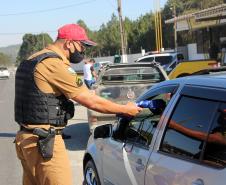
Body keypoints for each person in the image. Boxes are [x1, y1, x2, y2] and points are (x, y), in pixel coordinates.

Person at [14, 23, 142, 185]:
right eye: (82, 46)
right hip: (44, 144)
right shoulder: (54, 64)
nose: (83, 51)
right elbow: (90, 101)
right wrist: (125, 109)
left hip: (25, 140)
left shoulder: (33, 59)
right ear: (69, 43)